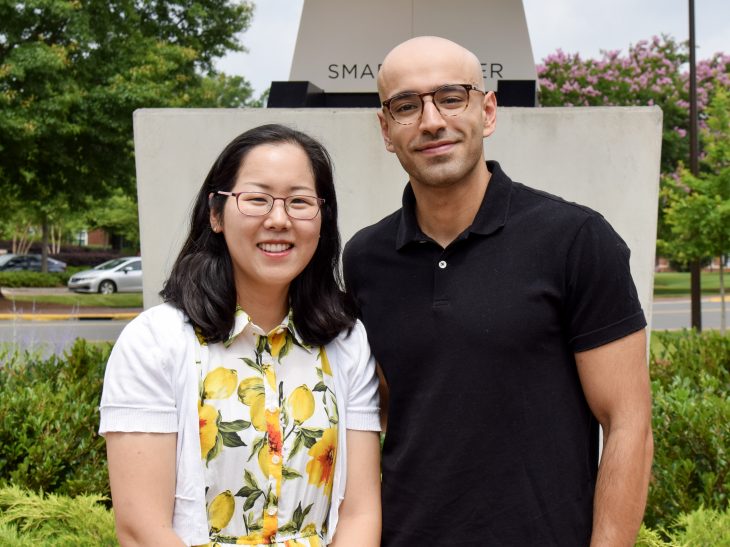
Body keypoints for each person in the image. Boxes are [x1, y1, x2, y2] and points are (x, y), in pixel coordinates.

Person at [342, 36, 653, 546]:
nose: (431, 121)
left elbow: (628, 422)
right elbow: (384, 412)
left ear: (487, 111)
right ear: (385, 129)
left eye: (450, 97)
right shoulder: (365, 258)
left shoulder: (575, 239)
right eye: (406, 105)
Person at [100, 124, 381, 546]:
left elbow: (359, 512)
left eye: (300, 202)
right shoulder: (154, 342)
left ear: (323, 218)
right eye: (257, 199)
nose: (279, 219)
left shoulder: (346, 342)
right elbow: (143, 531)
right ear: (215, 213)